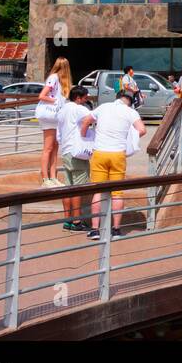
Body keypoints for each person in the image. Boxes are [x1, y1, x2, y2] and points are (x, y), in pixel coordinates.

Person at [80, 90, 147, 240]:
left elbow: (86, 121)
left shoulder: (103, 107)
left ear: (117, 98)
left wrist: (84, 136)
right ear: (130, 101)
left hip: (100, 153)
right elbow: (142, 130)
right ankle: (116, 230)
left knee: (98, 191)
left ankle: (95, 229)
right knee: (117, 193)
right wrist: (128, 140)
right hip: (118, 154)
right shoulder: (131, 112)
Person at [56, 85, 95, 232]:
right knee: (78, 188)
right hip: (77, 152)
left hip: (65, 151)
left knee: (68, 188)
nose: (86, 100)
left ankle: (67, 220)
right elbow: (92, 118)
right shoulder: (79, 109)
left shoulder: (62, 110)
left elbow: (58, 134)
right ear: (78, 98)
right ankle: (77, 221)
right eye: (85, 98)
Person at [36, 57, 71, 187]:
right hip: (50, 116)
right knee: (49, 147)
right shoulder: (54, 78)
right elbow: (42, 95)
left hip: (55, 116)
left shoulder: (60, 80)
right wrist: (56, 101)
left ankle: (53, 176)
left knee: (55, 147)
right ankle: (46, 178)